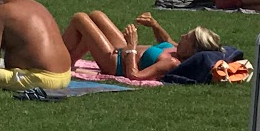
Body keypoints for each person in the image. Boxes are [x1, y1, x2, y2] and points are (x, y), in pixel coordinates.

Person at [63, 10, 221, 81]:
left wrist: (132, 46)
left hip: (115, 63)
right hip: (123, 50)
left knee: (80, 18)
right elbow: (165, 39)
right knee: (97, 16)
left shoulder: (171, 62)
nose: (182, 36)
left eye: (187, 37)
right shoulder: (177, 49)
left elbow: (134, 76)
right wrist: (154, 25)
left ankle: (57, 57)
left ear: (193, 50)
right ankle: (69, 59)